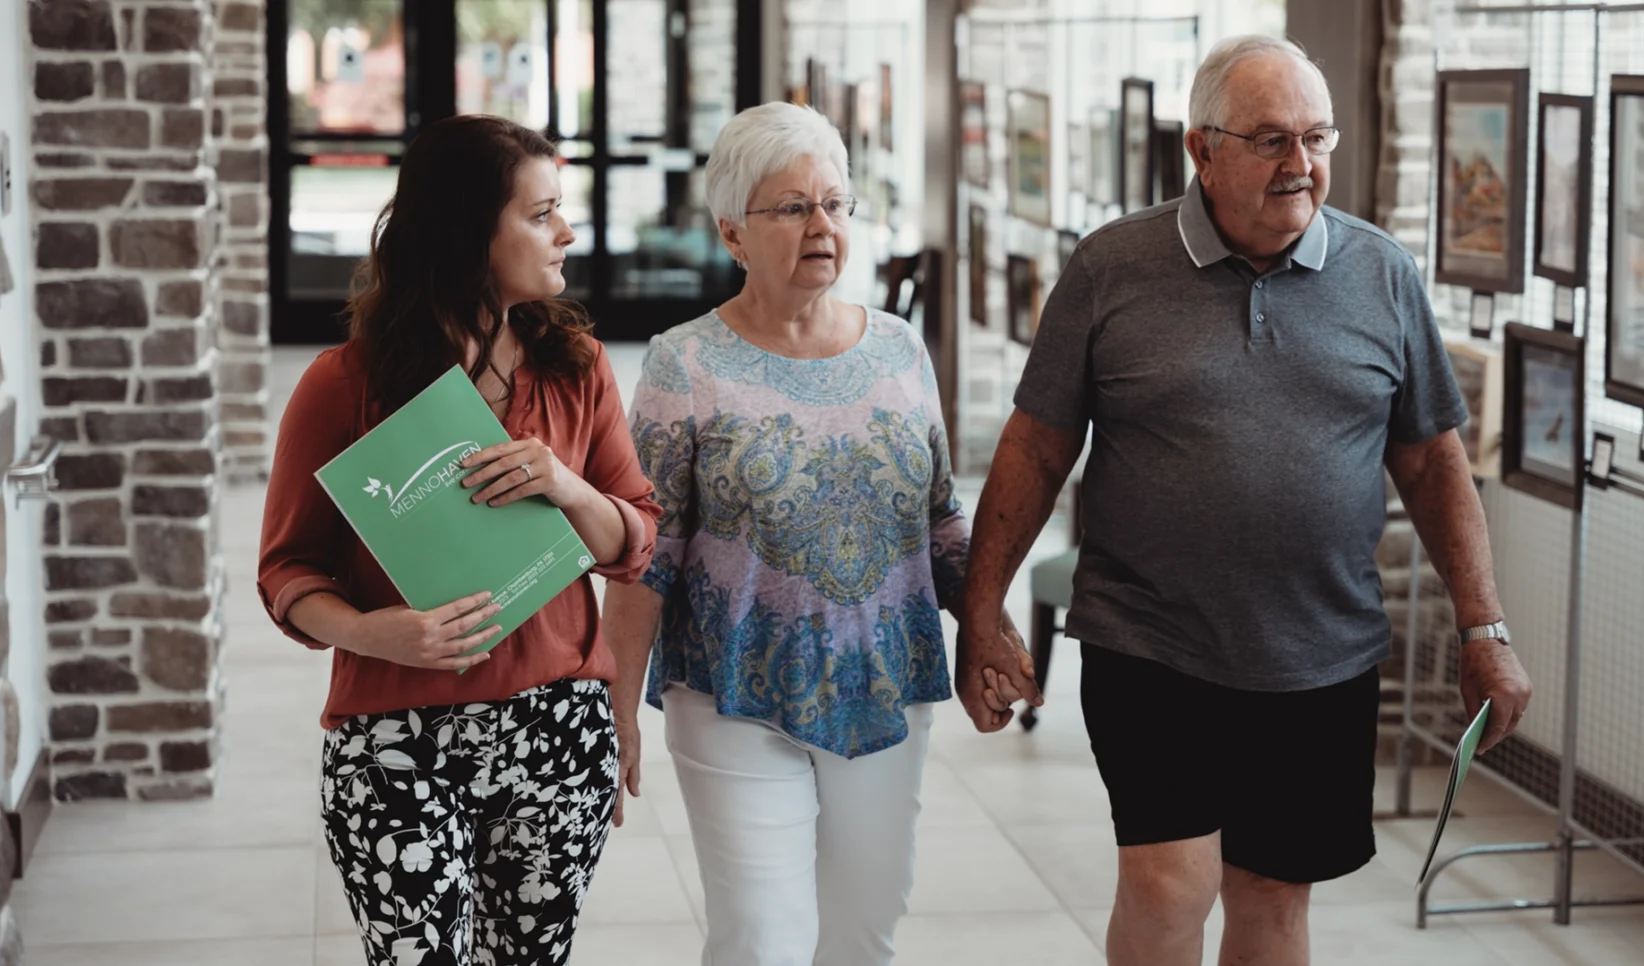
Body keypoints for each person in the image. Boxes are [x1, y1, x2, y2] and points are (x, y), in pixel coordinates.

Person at [956, 35, 1534, 966]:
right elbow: (1035, 447)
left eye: (1316, 137)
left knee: (1272, 900)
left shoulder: (1382, 274)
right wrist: (982, 611)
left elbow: (1432, 461)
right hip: (1151, 640)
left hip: (1321, 651)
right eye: (1269, 140)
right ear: (1202, 149)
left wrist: (1484, 630)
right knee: (1167, 882)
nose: (1300, 166)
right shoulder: (1112, 268)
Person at [257, 115, 661, 966]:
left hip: (558, 733)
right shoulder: (343, 384)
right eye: (542, 212)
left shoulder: (577, 366)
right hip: (394, 746)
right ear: (468, 232)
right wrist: (372, 631)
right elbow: (286, 571)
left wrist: (564, 482)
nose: (567, 232)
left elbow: (634, 541)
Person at [601, 101, 996, 966]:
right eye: (792, 208)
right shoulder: (685, 362)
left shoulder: (899, 350)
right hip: (733, 686)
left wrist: (989, 635)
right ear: (734, 233)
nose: (821, 226)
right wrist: (618, 702)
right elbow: (646, 551)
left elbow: (941, 519)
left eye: (835, 203)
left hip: (883, 683)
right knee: (764, 940)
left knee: (864, 931)